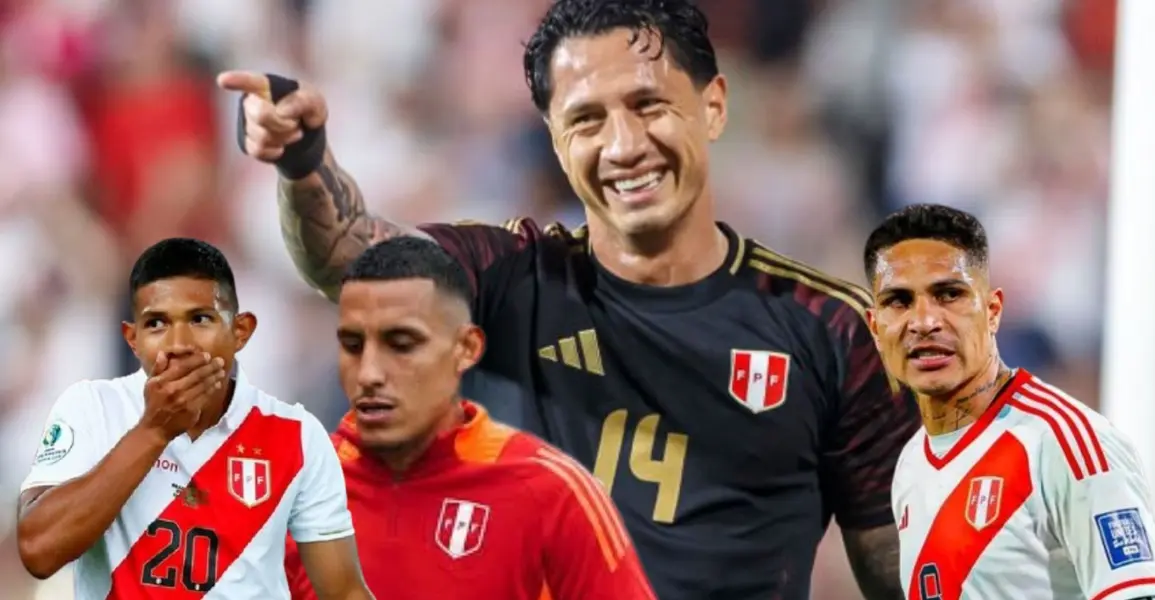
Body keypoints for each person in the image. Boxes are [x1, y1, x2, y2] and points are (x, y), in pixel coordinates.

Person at [219, 0, 919, 596]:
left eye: (648, 105)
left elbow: (902, 569)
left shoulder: (832, 332)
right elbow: (351, 257)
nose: (624, 146)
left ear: (713, 106)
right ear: (555, 142)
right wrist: (304, 161)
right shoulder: (507, 278)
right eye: (586, 120)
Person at [282, 236, 655, 599]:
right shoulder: (289, 494)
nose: (369, 373)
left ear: (466, 348)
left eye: (402, 345)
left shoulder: (552, 494)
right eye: (352, 346)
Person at [16, 238, 374, 599]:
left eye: (200, 319)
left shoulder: (297, 435)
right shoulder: (93, 409)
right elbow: (39, 551)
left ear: (240, 332)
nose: (179, 344)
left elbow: (343, 592)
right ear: (132, 338)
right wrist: (154, 431)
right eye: (157, 324)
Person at [862, 204, 1155, 600]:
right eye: (899, 301)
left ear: (992, 311)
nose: (924, 322)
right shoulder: (911, 463)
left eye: (949, 294)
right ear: (875, 328)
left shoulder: (1064, 442)